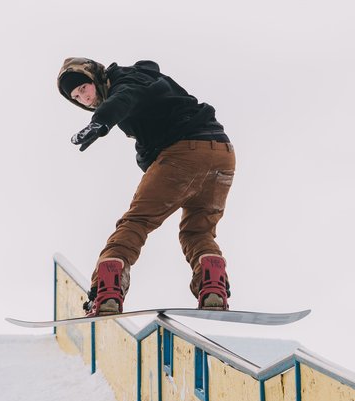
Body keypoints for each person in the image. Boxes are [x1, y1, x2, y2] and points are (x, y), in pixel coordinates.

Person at [57, 58, 235, 316]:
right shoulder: (145, 80)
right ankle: (213, 289)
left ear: (95, 77)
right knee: (198, 232)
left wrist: (102, 121)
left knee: (136, 222)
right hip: (222, 154)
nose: (83, 98)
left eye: (83, 89)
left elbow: (125, 96)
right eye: (76, 97)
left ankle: (107, 291)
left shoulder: (127, 81)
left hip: (184, 153)